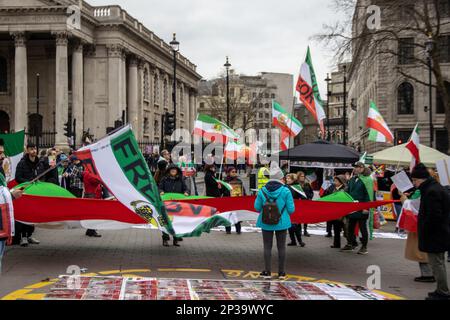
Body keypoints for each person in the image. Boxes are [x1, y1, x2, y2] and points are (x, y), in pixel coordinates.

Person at [411, 163, 450, 300]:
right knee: (438, 263)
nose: (414, 183)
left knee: (437, 264)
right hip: (439, 233)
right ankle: (441, 290)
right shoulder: (433, 188)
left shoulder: (431, 191)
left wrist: (426, 229)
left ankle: (443, 292)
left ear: (420, 179)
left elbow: (434, 216)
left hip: (435, 234)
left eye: (414, 180)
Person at [255, 162, 295, 280]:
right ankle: (281, 272)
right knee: (281, 247)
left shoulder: (262, 191)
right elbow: (291, 210)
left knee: (267, 247)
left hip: (266, 222)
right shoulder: (286, 191)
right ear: (280, 178)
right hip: (282, 222)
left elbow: (257, 207)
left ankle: (267, 271)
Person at [0, 140, 24, 273]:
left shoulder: (0, 171)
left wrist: (12, 195)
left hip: (2, 226)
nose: (2, 156)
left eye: (3, 153)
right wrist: (10, 194)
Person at [341, 162, 370, 255]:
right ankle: (351, 243)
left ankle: (364, 247)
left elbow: (369, 194)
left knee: (362, 228)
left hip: (362, 207)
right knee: (350, 227)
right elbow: (349, 192)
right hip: (352, 207)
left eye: (357, 167)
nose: (356, 169)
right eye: (355, 167)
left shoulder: (367, 180)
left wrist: (366, 207)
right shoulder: (352, 179)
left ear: (362, 168)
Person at [14, 143, 40, 247]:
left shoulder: (39, 162)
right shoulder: (22, 163)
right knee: (25, 213)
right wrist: (28, 182)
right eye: (31, 149)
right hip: (24, 192)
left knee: (33, 214)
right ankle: (23, 237)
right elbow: (18, 177)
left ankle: (29, 235)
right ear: (27, 150)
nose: (34, 151)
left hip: (35, 192)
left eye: (35, 149)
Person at [159, 164, 188, 247]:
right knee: (165, 222)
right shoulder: (164, 179)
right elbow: (159, 188)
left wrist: (186, 192)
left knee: (176, 222)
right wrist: (161, 191)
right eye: (171, 170)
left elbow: (186, 188)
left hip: (177, 205)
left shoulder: (181, 179)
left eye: (175, 170)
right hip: (166, 205)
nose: (173, 171)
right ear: (169, 171)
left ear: (177, 171)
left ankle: (176, 239)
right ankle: (165, 239)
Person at [323, 175, 347, 249]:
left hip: (343, 211)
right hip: (334, 210)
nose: (334, 182)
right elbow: (326, 194)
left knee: (346, 229)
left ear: (341, 182)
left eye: (336, 181)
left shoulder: (345, 189)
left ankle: (352, 242)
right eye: (334, 181)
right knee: (336, 228)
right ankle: (336, 244)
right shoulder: (332, 187)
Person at [222, 167, 245, 234]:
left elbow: (242, 190)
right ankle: (228, 230)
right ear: (229, 173)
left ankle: (238, 230)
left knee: (236, 216)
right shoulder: (225, 181)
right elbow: (222, 191)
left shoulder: (239, 181)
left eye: (235, 171)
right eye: (233, 172)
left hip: (236, 201)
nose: (234, 173)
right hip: (227, 200)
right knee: (228, 216)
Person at [285, 173, 305, 247]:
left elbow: (303, 198)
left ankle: (300, 241)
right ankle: (293, 241)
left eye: (289, 178)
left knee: (295, 226)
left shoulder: (297, 187)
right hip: (287, 209)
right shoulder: (285, 186)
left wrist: (296, 201)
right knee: (290, 226)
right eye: (286, 178)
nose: (287, 180)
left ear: (293, 179)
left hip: (295, 209)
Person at [82, 169, 103, 238]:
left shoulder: (86, 173)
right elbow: (96, 181)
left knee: (91, 215)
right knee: (94, 215)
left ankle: (89, 231)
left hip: (90, 195)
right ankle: (92, 231)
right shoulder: (89, 174)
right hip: (93, 197)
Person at [296, 171, 314, 237]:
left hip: (306, 202)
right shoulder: (296, 185)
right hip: (299, 203)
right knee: (299, 217)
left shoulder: (307, 184)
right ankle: (299, 231)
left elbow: (311, 192)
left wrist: (310, 197)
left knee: (306, 217)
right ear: (298, 177)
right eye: (301, 176)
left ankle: (305, 230)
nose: (303, 178)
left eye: (303, 176)